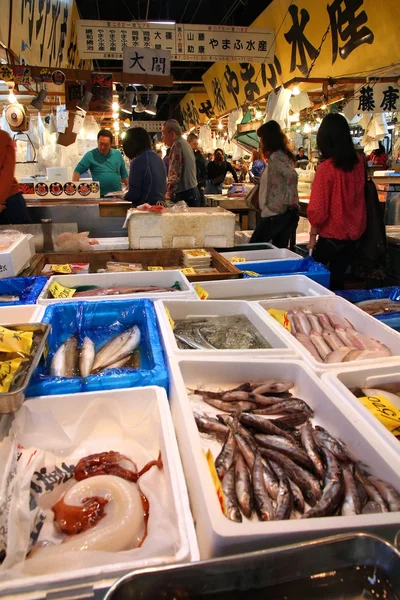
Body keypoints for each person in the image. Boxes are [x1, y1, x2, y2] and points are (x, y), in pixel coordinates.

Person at [307, 113, 366, 290]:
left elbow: (318, 209)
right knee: (337, 281)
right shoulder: (359, 163)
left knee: (315, 282)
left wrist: (312, 236)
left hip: (331, 237)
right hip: (354, 238)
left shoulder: (326, 169)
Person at [250, 121, 299, 247]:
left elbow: (292, 175)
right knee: (276, 251)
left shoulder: (276, 157)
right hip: (276, 214)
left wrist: (287, 202)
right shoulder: (278, 156)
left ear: (268, 139)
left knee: (253, 248)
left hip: (275, 216)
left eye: (261, 139)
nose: (260, 143)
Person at [73, 130, 129, 197]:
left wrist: (130, 189)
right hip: (99, 196)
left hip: (117, 195)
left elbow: (124, 173)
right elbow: (77, 171)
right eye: (100, 144)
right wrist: (75, 191)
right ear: (97, 142)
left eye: (106, 145)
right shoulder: (90, 155)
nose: (102, 147)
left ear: (111, 144)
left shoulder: (117, 154)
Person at [122, 127, 166, 206]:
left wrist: (122, 196)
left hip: (145, 211)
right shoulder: (158, 159)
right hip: (160, 208)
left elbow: (134, 195)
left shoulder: (138, 161)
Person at [162, 120, 199, 206]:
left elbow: (175, 174)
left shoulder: (177, 145)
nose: (162, 137)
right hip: (192, 192)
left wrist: (168, 193)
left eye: (164, 133)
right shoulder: (185, 143)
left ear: (172, 133)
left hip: (185, 195)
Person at [0, 130, 31, 224]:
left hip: (10, 200)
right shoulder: (3, 136)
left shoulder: (3, 137)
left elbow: (6, 174)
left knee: (23, 235)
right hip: (10, 198)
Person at [187, 132, 207, 206]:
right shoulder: (187, 156)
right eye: (194, 144)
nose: (196, 146)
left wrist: (201, 184)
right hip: (190, 188)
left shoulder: (198, 157)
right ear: (188, 143)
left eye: (196, 144)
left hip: (198, 188)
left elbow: (204, 171)